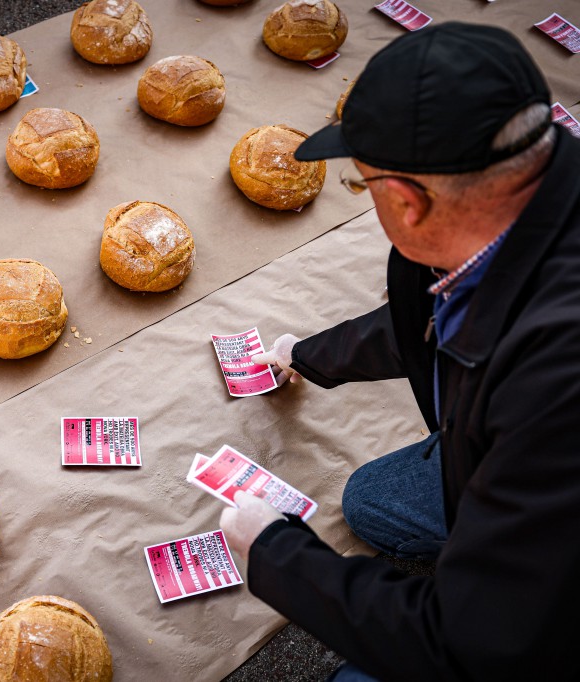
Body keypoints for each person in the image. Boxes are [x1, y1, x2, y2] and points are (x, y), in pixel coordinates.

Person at [218, 21, 580, 681]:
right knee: (371, 499)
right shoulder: (540, 196)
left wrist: (274, 554)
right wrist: (308, 353)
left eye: (361, 185)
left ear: (407, 201)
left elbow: (469, 649)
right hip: (524, 453)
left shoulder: (554, 389)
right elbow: (436, 316)